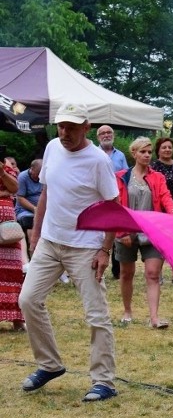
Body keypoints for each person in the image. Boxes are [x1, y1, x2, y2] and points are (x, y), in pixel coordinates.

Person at [18, 103, 120, 401]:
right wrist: (36, 235)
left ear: (86, 127)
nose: (65, 132)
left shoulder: (98, 161)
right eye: (61, 126)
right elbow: (47, 192)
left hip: (86, 247)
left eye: (72, 127)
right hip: (51, 241)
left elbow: (112, 208)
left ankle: (104, 382)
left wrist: (105, 249)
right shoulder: (52, 148)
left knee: (96, 315)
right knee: (28, 300)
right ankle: (49, 364)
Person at [114, 137, 173, 328]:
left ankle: (154, 318)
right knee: (126, 273)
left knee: (153, 274)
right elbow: (116, 206)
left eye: (149, 152)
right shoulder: (121, 176)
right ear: (134, 153)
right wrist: (121, 231)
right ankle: (127, 311)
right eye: (143, 152)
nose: (147, 155)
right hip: (126, 231)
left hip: (151, 232)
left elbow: (166, 199)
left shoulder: (158, 177)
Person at [97, 125, 128, 279]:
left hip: (116, 198)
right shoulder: (92, 154)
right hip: (97, 199)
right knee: (97, 233)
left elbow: (126, 176)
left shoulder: (121, 155)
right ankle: (95, 264)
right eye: (102, 133)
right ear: (98, 137)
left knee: (116, 233)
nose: (106, 135)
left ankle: (117, 271)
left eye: (109, 132)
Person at [1, 160, 25, 330]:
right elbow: (9, 191)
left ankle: (17, 318)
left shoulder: (6, 167)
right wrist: (4, 193)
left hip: (8, 228)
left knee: (13, 269)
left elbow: (15, 188)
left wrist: (2, 173)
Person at [15, 159, 43, 271]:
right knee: (31, 223)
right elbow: (20, 198)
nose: (39, 177)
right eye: (38, 174)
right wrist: (35, 209)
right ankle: (35, 261)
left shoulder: (45, 177)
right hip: (25, 210)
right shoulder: (22, 177)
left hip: (42, 209)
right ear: (31, 169)